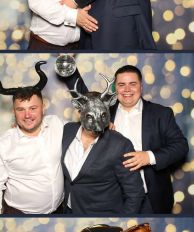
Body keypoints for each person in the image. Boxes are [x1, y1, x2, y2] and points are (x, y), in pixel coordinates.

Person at [67, 64, 189, 213]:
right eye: (121, 85)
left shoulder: (160, 114)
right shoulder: (103, 112)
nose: (127, 89)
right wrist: (101, 126)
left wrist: (149, 157)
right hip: (112, 201)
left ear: (141, 86)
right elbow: (85, 99)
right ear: (115, 89)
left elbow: (181, 146)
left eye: (132, 84)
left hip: (151, 199)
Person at [0, 62, 65, 214]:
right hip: (18, 214)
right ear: (13, 111)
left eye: (33, 108)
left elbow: (83, 132)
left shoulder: (57, 124)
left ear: (43, 108)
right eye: (21, 109)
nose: (27, 115)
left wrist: (106, 125)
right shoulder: (3, 145)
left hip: (60, 210)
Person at [62, 74, 145, 215]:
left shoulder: (120, 145)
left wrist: (123, 221)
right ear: (80, 111)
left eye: (102, 116)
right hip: (68, 211)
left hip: (101, 215)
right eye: (90, 116)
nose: (97, 124)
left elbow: (135, 193)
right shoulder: (67, 131)